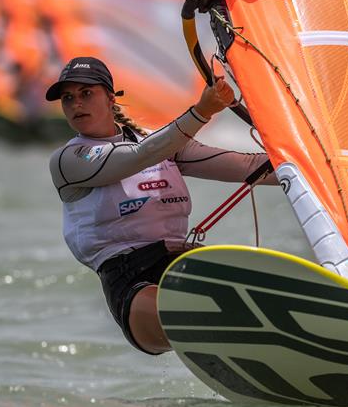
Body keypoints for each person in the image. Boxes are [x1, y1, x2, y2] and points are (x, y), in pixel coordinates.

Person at [47, 56, 275, 355]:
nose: (76, 104)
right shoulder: (69, 161)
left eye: (86, 93)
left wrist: (312, 163)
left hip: (185, 263)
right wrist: (201, 112)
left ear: (110, 98)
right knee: (189, 308)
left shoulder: (164, 147)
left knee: (259, 294)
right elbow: (139, 157)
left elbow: (248, 167)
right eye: (68, 98)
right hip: (131, 281)